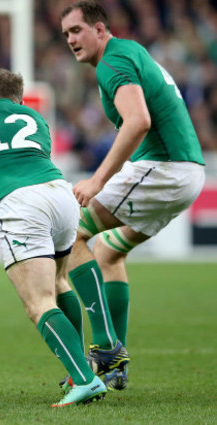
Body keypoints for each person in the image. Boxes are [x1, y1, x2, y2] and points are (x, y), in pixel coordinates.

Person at [59, 1, 206, 390]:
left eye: (77, 30)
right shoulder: (131, 51)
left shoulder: (112, 62)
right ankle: (115, 364)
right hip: (188, 171)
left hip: (164, 169)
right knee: (108, 252)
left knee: (73, 233)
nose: (71, 40)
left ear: (101, 29)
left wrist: (97, 180)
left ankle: (106, 347)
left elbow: (139, 121)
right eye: (66, 35)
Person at [0, 68, 106, 407]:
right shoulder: (34, 117)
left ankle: (84, 378)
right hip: (60, 193)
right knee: (61, 282)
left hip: (21, 202)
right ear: (19, 99)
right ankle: (74, 371)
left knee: (38, 303)